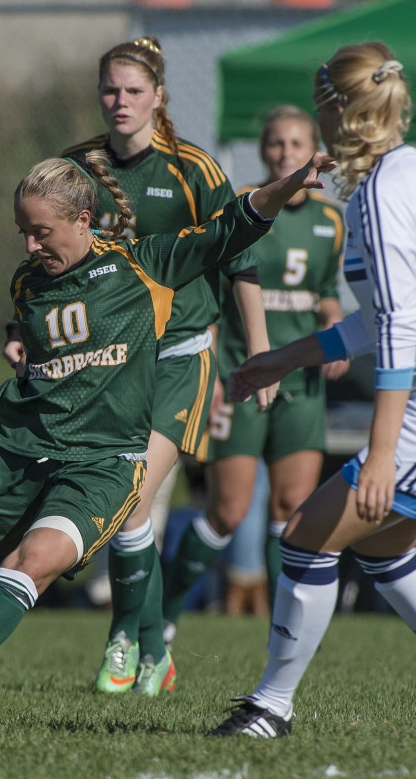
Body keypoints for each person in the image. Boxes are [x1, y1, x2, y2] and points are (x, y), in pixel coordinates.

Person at [0, 147, 336, 714]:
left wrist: (290, 183)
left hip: (103, 463)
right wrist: (20, 342)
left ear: (83, 220)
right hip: (16, 447)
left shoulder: (142, 265)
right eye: (23, 231)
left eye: (41, 231)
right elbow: (38, 327)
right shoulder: (28, 281)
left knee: (31, 563)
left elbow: (234, 225)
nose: (29, 245)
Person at [209, 41, 416, 739]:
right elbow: (380, 318)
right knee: (383, 548)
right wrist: (283, 358)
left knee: (305, 537)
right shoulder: (404, 173)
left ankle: (270, 705)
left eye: (320, 105)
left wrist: (380, 452)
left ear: (338, 111)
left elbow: (400, 331)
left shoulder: (384, 191)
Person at [3, 36, 271, 695]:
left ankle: (125, 637)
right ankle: (155, 649)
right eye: (109, 90)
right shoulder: (76, 168)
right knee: (133, 512)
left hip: (179, 354)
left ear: (159, 96)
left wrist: (259, 350)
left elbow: (238, 254)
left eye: (132, 91)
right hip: (109, 364)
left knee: (131, 503)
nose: (119, 102)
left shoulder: (193, 170)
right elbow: (45, 262)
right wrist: (21, 332)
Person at [161, 105, 347, 641]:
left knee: (292, 510)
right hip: (241, 378)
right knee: (228, 511)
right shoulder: (242, 209)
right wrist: (212, 373)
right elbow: (212, 299)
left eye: (296, 144)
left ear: (315, 150)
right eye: (276, 144)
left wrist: (333, 323)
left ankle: (282, 634)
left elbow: (327, 294)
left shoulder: (330, 220)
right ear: (264, 150)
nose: (285, 153)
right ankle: (165, 620)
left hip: (301, 382)